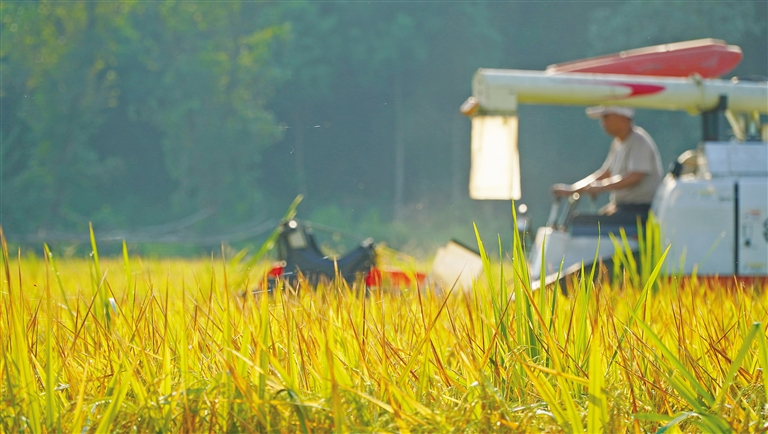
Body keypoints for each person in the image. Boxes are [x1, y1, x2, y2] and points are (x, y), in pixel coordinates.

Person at [551, 105, 662, 227]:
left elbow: (635, 176)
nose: (602, 123)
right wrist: (572, 189)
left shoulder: (639, 141)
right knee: (586, 223)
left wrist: (602, 187)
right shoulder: (617, 143)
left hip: (640, 211)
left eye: (606, 117)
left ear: (622, 118)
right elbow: (605, 174)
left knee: (588, 226)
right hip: (623, 208)